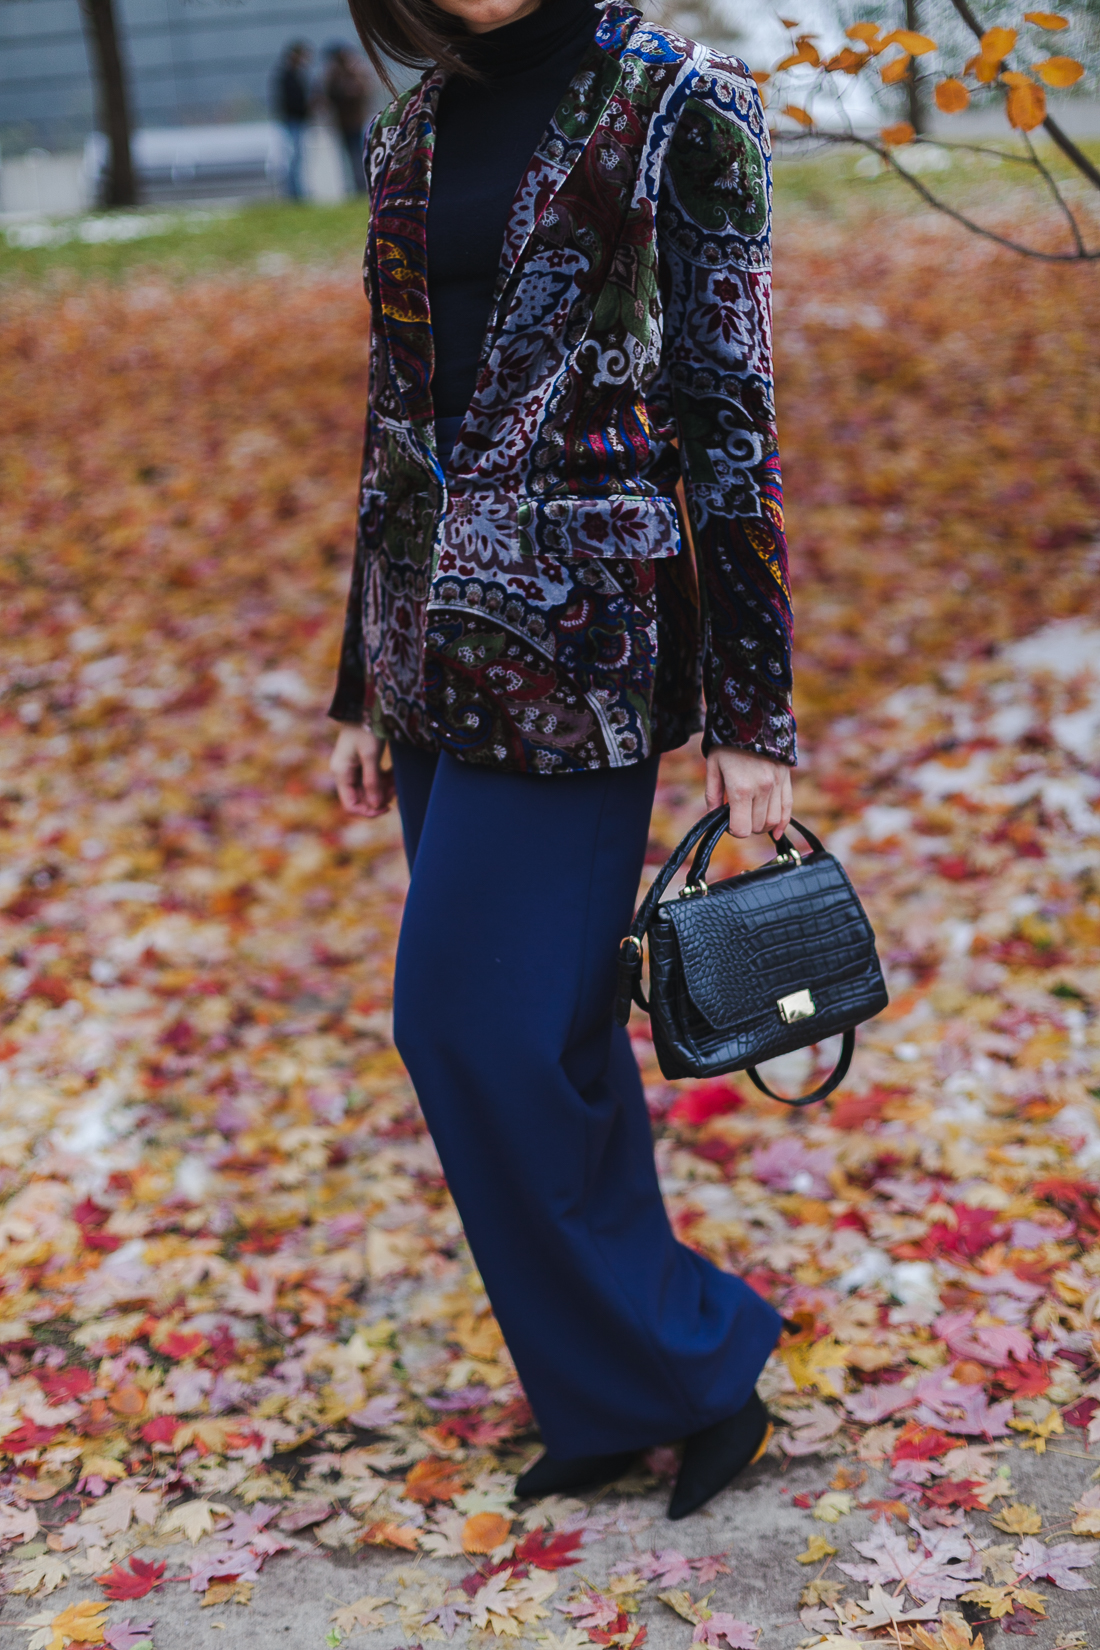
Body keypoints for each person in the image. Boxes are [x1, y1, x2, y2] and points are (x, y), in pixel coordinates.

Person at [329, 0, 796, 1521]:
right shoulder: (412, 126)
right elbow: (400, 419)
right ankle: (603, 1397)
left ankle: (694, 1362)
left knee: (461, 1024)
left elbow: (730, 415)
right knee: (555, 1046)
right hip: (427, 657)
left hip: (580, 647)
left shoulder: (682, 105)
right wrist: (357, 680)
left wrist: (751, 714)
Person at [323, 43, 372, 195]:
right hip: (343, 122)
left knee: (360, 154)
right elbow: (328, 95)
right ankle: (356, 186)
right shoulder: (334, 74)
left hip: (358, 120)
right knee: (349, 156)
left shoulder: (357, 71)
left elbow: (363, 92)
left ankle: (363, 186)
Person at [272, 41, 313, 200]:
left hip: (298, 120)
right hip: (293, 120)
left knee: (298, 158)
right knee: (293, 157)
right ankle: (294, 193)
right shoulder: (287, 75)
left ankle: (297, 191)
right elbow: (290, 101)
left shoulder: (297, 74)